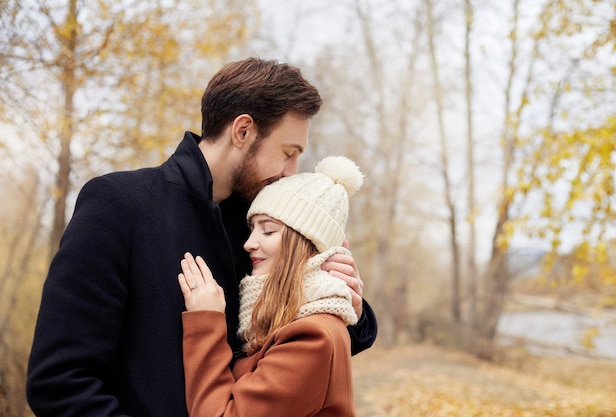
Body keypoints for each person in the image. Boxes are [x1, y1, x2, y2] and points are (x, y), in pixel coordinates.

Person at [26, 57, 377, 417]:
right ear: (243, 131)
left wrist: (352, 305)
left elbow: (299, 361)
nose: (291, 173)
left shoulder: (264, 225)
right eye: (288, 154)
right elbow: (59, 383)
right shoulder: (119, 205)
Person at [178, 155, 363, 416]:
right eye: (252, 229)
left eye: (268, 231)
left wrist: (206, 321)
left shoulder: (313, 337)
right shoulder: (285, 322)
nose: (249, 243)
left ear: (306, 244)